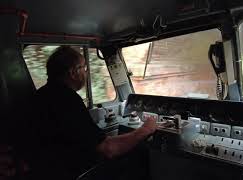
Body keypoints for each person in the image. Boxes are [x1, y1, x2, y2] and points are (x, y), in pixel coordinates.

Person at [26, 46, 157, 180]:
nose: (86, 73)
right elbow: (108, 149)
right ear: (73, 72)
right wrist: (146, 129)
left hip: (45, 170)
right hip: (73, 173)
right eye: (84, 68)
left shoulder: (40, 96)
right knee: (139, 154)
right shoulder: (67, 100)